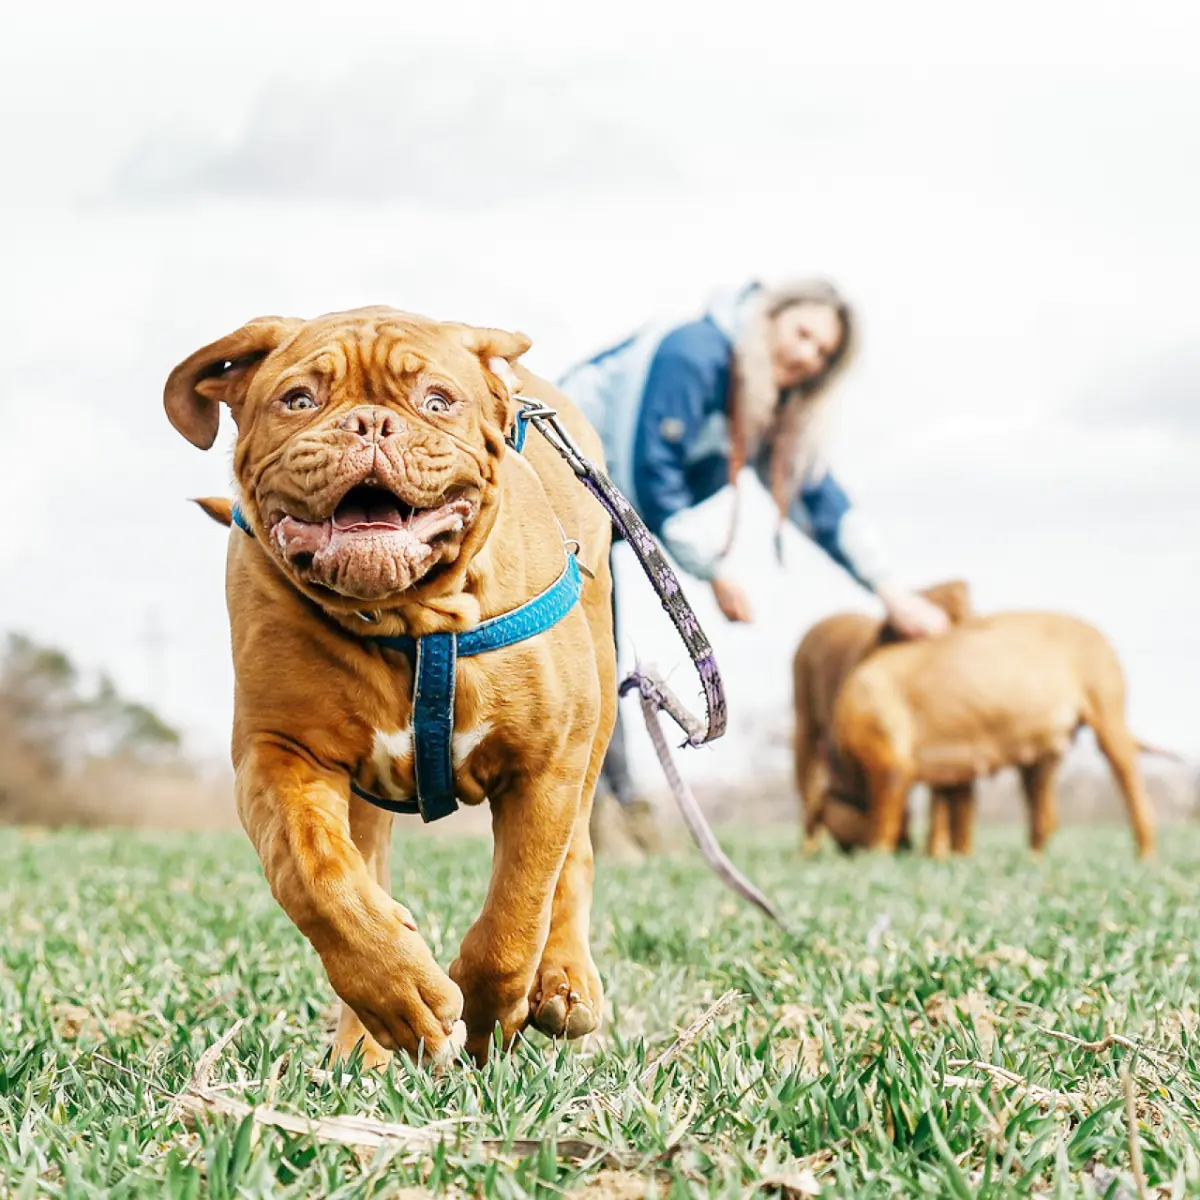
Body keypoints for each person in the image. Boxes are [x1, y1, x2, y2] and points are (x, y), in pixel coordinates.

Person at [554, 276, 950, 856]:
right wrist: (713, 572)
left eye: (824, 353)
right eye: (803, 333)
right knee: (586, 658)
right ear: (769, 319)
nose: (808, 356)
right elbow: (649, 471)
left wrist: (889, 590)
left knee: (599, 656)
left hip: (595, 524)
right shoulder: (693, 354)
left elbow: (815, 495)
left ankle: (617, 814)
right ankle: (603, 818)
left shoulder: (761, 402)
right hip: (545, 496)